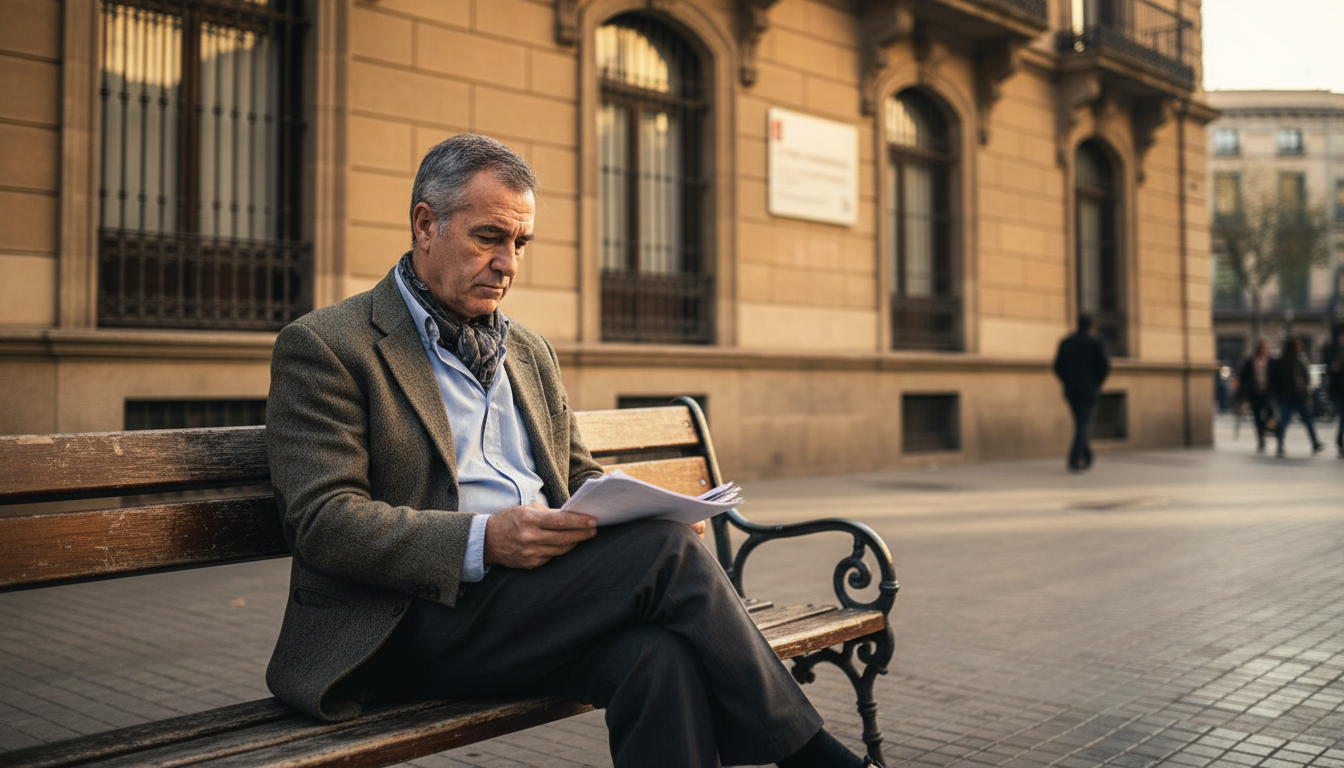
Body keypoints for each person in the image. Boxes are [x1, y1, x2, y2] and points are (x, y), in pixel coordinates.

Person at [263, 134, 877, 768]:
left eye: (519, 244)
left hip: (537, 601)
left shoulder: (526, 349)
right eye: (488, 238)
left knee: (656, 658)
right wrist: (483, 539)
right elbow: (321, 521)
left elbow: (574, 473)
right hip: (405, 623)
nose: (508, 263)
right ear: (426, 223)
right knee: (666, 555)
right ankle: (816, 758)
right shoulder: (329, 346)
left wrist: (647, 510)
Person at [1053, 315, 1111, 471]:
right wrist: (1096, 383)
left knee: (1080, 423)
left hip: (1071, 390)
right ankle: (1074, 458)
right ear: (1091, 326)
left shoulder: (1066, 343)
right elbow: (1105, 367)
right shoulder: (1096, 343)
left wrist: (1067, 381)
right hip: (1089, 390)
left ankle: (1087, 455)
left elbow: (1057, 367)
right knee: (1083, 424)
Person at [1268, 335, 1324, 458]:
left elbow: (1306, 377)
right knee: (1292, 421)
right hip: (1293, 395)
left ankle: (1313, 443)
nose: (1300, 347)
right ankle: (1282, 445)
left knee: (1295, 420)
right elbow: (1306, 376)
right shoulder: (1293, 360)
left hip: (1294, 395)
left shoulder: (1290, 360)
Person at [1236, 341, 1275, 454]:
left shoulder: (1271, 362)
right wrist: (1241, 393)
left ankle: (1266, 429)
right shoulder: (1250, 362)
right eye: (1262, 349)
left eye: (1265, 349)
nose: (1263, 351)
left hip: (1268, 393)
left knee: (1270, 413)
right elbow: (1243, 376)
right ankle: (1261, 440)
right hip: (1254, 393)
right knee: (1257, 416)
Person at [1324, 326, 1344, 458]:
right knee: (1343, 417)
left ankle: (1339, 442)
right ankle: (1339, 442)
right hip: (1339, 391)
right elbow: (1329, 373)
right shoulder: (1333, 352)